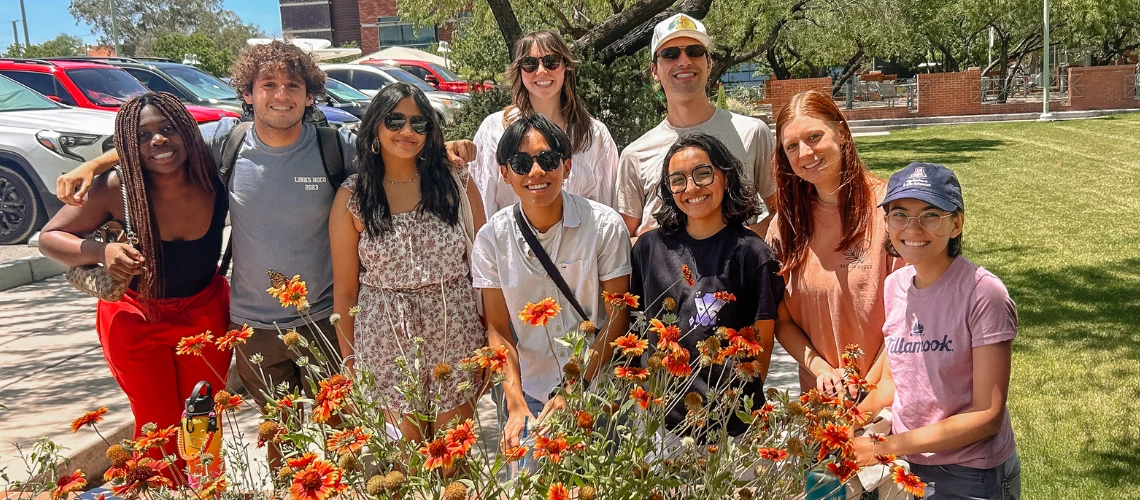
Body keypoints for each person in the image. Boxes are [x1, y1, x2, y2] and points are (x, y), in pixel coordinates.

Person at [39, 92, 231, 473]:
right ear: (130, 144)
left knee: (203, 417)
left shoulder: (214, 172)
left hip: (204, 311)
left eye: (168, 129)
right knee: (156, 426)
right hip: (135, 318)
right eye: (143, 136)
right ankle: (163, 494)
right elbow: (49, 239)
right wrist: (99, 251)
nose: (158, 141)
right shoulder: (115, 187)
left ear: (187, 133)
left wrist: (93, 160)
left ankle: (207, 491)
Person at [852, 163, 1020, 499]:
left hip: (969, 472)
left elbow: (987, 414)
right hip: (907, 462)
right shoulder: (895, 285)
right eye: (899, 214)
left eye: (931, 215)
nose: (913, 227)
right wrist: (850, 421)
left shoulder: (983, 293)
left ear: (955, 223)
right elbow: (892, 380)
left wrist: (887, 446)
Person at [329, 83, 487, 441]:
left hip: (455, 332)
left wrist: (492, 340)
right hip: (385, 342)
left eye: (419, 123)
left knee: (454, 460)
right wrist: (350, 363)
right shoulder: (353, 197)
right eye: (395, 120)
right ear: (375, 127)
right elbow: (346, 291)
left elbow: (484, 268)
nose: (407, 131)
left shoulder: (455, 181)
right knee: (407, 463)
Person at [470, 114, 632, 452]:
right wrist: (514, 404)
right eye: (520, 162)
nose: (535, 172)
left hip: (597, 389)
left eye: (547, 160)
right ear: (504, 173)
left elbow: (616, 317)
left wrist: (573, 387)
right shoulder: (491, 240)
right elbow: (498, 328)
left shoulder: (604, 227)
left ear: (567, 166)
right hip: (529, 391)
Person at [630, 132, 783, 438]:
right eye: (678, 180)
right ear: (668, 190)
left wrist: (736, 412)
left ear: (726, 178)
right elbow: (635, 328)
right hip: (662, 426)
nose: (691, 188)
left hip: (731, 427)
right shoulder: (648, 249)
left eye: (703, 174)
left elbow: (761, 345)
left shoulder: (752, 253)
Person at [767, 90, 903, 394]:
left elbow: (908, 315)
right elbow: (782, 320)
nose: (804, 153)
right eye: (791, 146)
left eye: (814, 136)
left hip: (889, 401)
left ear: (841, 133)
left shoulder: (891, 209)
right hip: (822, 404)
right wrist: (821, 369)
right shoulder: (785, 228)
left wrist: (865, 389)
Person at [615, 13, 777, 239]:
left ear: (708, 63)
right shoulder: (634, 155)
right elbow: (622, 240)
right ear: (654, 71)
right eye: (670, 54)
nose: (684, 61)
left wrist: (747, 240)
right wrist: (651, 245)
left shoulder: (752, 133)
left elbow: (783, 211)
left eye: (694, 51)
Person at [469, 30, 619, 219]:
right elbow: (481, 204)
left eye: (551, 61)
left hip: (578, 247)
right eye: (530, 64)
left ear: (566, 66)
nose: (541, 71)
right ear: (520, 71)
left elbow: (608, 209)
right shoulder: (493, 130)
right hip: (510, 246)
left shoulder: (594, 135)